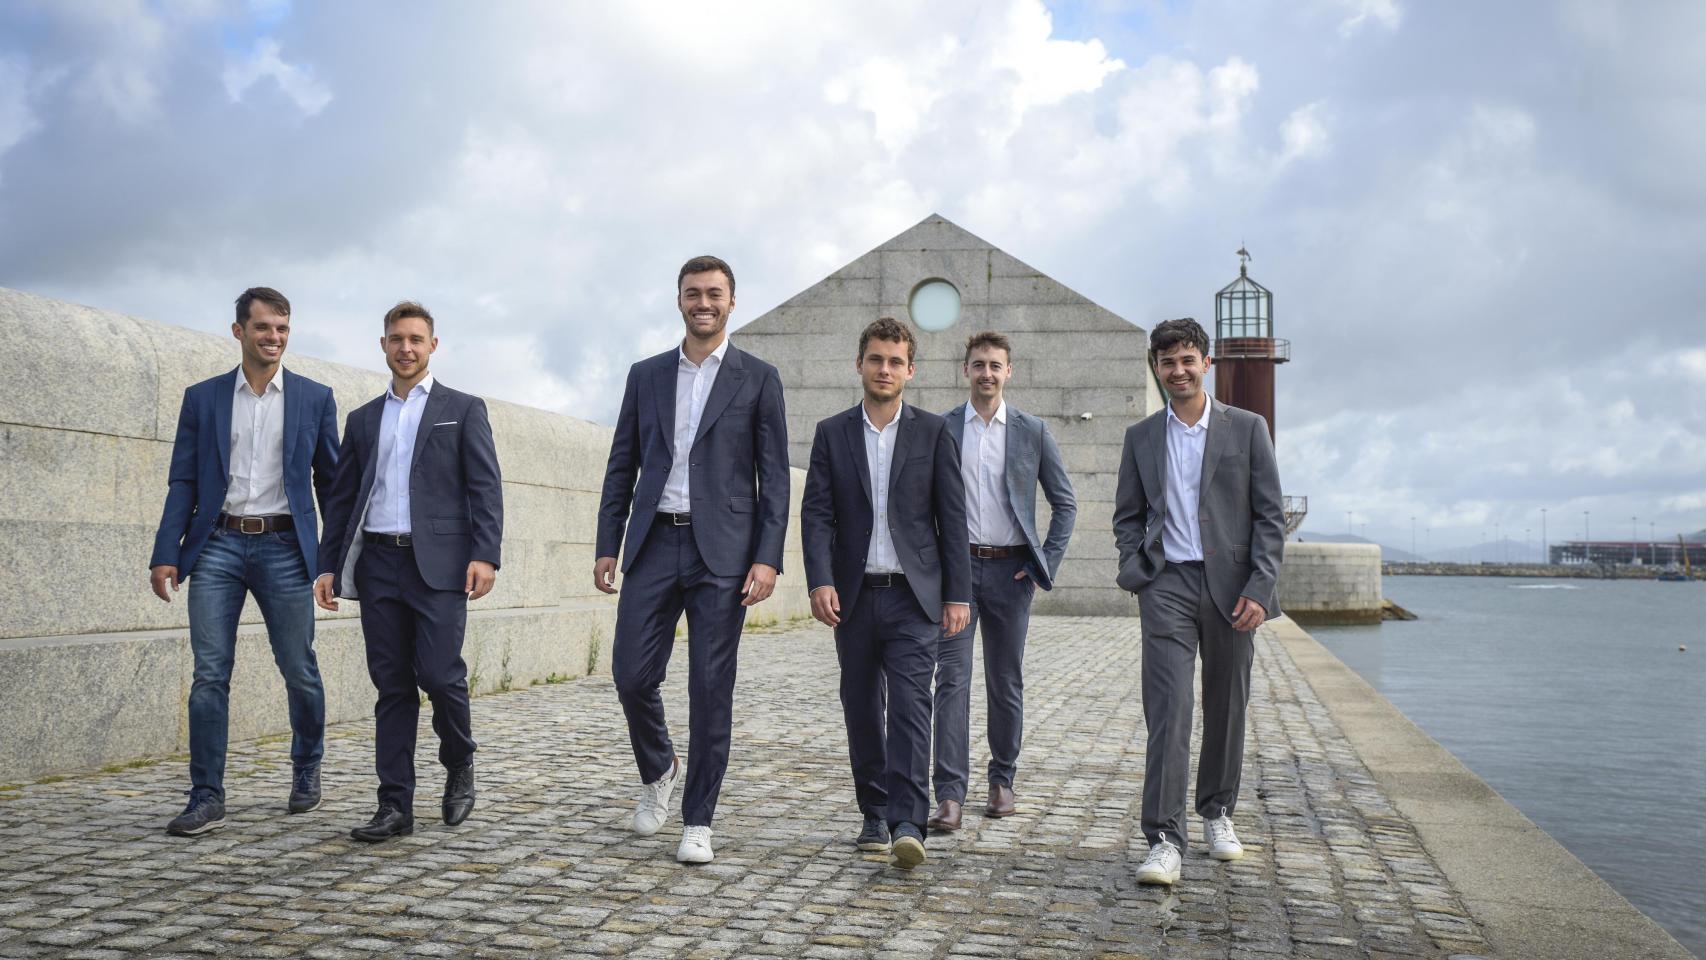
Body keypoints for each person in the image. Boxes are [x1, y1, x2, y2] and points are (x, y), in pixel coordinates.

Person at [593, 255, 789, 864]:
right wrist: (607, 543)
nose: (703, 303)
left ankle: (698, 819)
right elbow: (622, 463)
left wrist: (767, 558)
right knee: (631, 675)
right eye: (693, 293)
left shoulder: (759, 378)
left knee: (710, 686)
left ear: (732, 301)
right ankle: (660, 767)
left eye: (714, 294)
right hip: (653, 542)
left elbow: (774, 478)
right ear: (679, 300)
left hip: (724, 554)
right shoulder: (646, 375)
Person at [148, 287, 339, 837]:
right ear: (239, 331)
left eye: (282, 328)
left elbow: (331, 485)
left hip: (285, 548)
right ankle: (206, 794)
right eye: (262, 327)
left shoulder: (314, 398)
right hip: (217, 545)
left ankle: (307, 766)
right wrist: (166, 553)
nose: (273, 337)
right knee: (210, 673)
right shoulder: (203, 398)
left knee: (299, 667)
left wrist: (331, 561)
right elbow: (183, 480)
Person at [314, 301, 503, 843]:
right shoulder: (363, 419)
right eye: (397, 339)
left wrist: (486, 554)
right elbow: (342, 497)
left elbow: (485, 486)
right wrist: (328, 566)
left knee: (441, 676)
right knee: (392, 685)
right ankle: (394, 804)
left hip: (439, 566)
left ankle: (459, 760)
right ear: (384, 345)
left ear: (432, 346)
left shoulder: (462, 409)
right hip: (378, 564)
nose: (406, 348)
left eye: (416, 339)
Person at [1112, 317, 1284, 886]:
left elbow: (1269, 516)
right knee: (1169, 708)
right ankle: (1164, 839)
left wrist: (1260, 587)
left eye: (1188, 359)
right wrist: (1137, 568)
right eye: (1168, 362)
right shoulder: (1141, 437)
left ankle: (1217, 811)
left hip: (1233, 589)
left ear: (1206, 363)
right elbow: (1127, 515)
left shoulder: (1248, 428)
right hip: (1166, 584)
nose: (1178, 370)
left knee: (1227, 704)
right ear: (1156, 368)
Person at [801, 317, 971, 869]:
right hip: (852, 597)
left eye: (895, 361)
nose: (884, 369)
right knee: (860, 704)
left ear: (910, 371)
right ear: (860, 364)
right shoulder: (832, 433)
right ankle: (873, 812)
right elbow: (817, 515)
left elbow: (952, 518)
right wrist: (820, 580)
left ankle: (908, 821)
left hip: (913, 597)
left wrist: (958, 595)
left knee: (911, 708)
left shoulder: (934, 433)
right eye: (876, 359)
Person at [928, 331, 1076, 831]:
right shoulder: (943, 428)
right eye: (979, 365)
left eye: (995, 365)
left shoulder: (1032, 431)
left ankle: (1002, 781)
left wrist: (1042, 564)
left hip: (1012, 574)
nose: (987, 373)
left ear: (1008, 371)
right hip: (957, 573)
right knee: (951, 680)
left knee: (1004, 680)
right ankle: (949, 795)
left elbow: (1065, 503)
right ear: (965, 370)